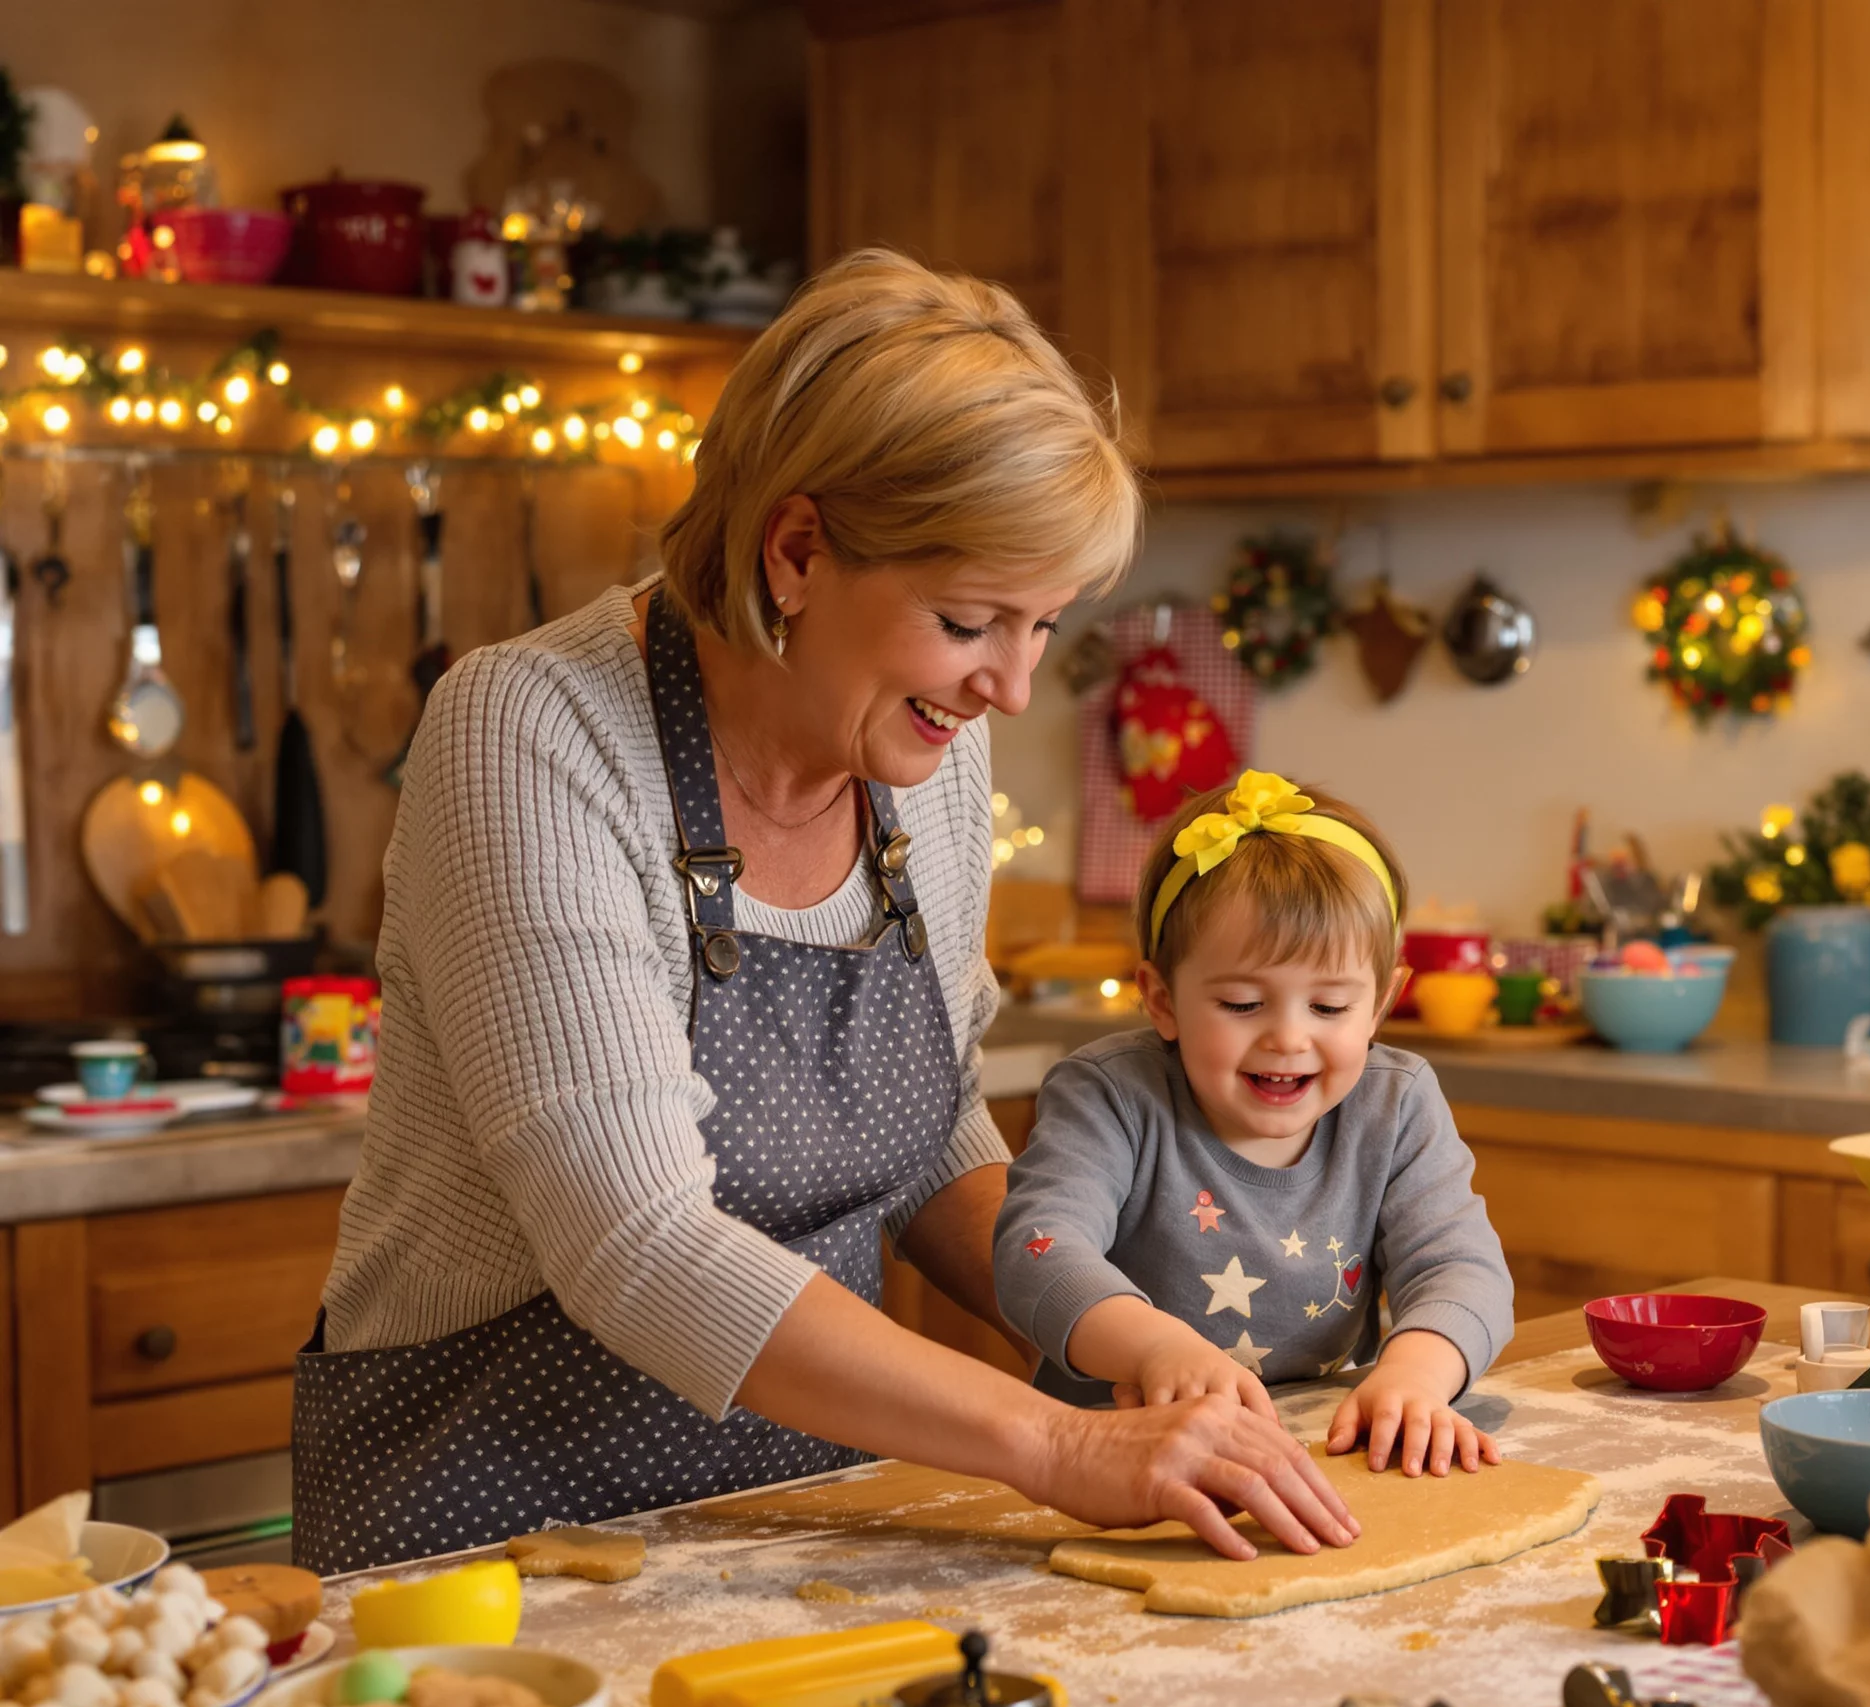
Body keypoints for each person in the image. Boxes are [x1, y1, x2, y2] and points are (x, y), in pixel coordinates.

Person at [292, 253, 1359, 1575]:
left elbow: (924, 1142)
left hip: (791, 1524)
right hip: (485, 1535)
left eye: (1042, 627)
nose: (1012, 690)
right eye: (971, 619)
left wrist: (1123, 1328)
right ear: (795, 551)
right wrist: (1060, 1446)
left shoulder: (923, 750)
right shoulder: (532, 729)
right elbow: (636, 1243)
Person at [994, 770, 1513, 1474]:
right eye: (1242, 1003)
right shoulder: (1111, 1096)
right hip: (1116, 1464)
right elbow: (1038, 1252)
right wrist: (1153, 1349)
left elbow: (1463, 1270)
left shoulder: (1396, 1106)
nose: (1289, 1038)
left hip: (1318, 1456)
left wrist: (1417, 1376)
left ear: (1383, 1001)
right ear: (1163, 998)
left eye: (1329, 1008)